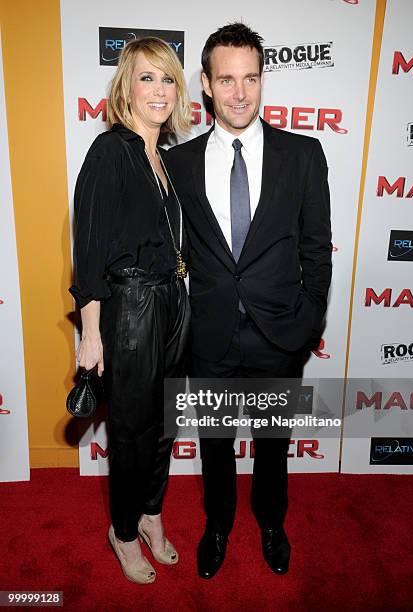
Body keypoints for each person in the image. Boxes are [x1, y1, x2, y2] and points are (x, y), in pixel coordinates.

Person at [168, 23, 332, 578]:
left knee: (273, 445)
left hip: (280, 335)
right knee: (214, 447)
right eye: (227, 80)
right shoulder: (181, 163)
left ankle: (271, 522)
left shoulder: (303, 155)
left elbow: (317, 249)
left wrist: (308, 321)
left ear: (262, 81)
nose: (241, 93)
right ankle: (217, 526)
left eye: (251, 79)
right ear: (207, 87)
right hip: (209, 338)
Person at [69, 37, 191, 584]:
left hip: (171, 301)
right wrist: (91, 334)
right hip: (131, 308)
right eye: (147, 78)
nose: (159, 90)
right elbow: (90, 249)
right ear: (126, 87)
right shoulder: (111, 151)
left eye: (167, 79)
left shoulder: (161, 158)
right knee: (131, 431)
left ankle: (150, 513)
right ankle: (121, 532)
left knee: (163, 423)